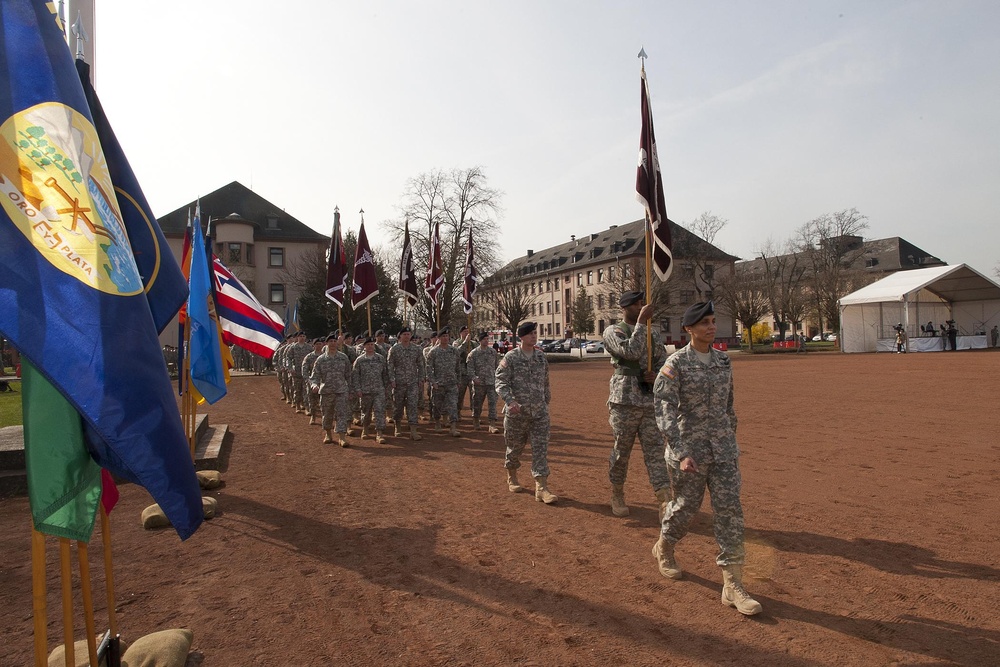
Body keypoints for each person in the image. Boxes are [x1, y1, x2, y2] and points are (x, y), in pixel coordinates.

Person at [651, 301, 762, 616]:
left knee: (730, 512)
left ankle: (733, 584)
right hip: (691, 454)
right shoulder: (676, 364)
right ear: (689, 328)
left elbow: (729, 405)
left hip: (724, 450)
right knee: (686, 509)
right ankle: (665, 546)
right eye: (704, 323)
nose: (711, 327)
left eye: (713, 321)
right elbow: (664, 408)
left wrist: (730, 437)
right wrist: (681, 450)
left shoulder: (724, 361)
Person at [601, 291, 670, 519]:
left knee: (656, 452)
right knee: (622, 451)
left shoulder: (653, 333)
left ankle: (664, 499)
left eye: (643, 304)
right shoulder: (613, 331)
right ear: (626, 307)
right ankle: (617, 492)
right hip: (625, 401)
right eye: (638, 304)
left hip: (650, 400)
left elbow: (662, 358)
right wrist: (641, 323)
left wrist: (657, 374)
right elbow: (629, 352)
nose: (642, 307)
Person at [495, 321, 557, 504]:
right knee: (514, 448)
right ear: (521, 337)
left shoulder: (540, 357)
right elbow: (500, 381)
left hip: (539, 413)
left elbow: (545, 381)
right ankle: (512, 475)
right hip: (517, 413)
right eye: (530, 334)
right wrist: (509, 400)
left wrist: (546, 400)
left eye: (535, 333)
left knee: (540, 449)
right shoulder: (511, 357)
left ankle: (542, 487)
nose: (534, 336)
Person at [309, 334, 353, 447]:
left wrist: (351, 389)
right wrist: (314, 385)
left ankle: (342, 437)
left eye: (334, 341)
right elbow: (314, 376)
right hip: (326, 391)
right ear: (326, 344)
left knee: (341, 414)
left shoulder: (343, 357)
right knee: (327, 414)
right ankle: (328, 434)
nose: (333, 343)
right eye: (330, 341)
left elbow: (349, 375)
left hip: (341, 390)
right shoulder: (321, 359)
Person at [387, 326, 425, 441]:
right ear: (400, 336)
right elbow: (390, 365)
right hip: (398, 383)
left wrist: (421, 378)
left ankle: (413, 430)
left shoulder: (417, 349)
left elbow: (420, 364)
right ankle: (397, 427)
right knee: (398, 406)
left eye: (409, 334)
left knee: (413, 405)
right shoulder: (394, 349)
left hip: (413, 382)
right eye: (405, 334)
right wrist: (392, 379)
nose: (407, 336)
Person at [352, 337, 390, 443]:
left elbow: (385, 375)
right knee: (366, 412)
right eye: (368, 344)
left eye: (372, 344)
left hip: (379, 390)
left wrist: (386, 388)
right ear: (364, 346)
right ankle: (365, 429)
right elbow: (355, 376)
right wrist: (358, 389)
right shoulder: (359, 360)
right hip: (365, 391)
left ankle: (379, 433)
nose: (370, 346)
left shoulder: (380, 359)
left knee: (379, 411)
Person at [426, 327, 462, 436]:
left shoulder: (454, 351)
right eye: (443, 336)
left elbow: (458, 367)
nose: (446, 338)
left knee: (452, 405)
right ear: (439, 338)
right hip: (439, 384)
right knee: (437, 405)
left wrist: (458, 381)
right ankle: (437, 422)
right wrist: (433, 382)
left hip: (451, 383)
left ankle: (453, 427)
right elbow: (428, 368)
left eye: (447, 336)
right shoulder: (433, 352)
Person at [467, 330, 501, 433]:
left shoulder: (493, 352)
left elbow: (497, 367)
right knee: (477, 403)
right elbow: (470, 368)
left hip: (491, 382)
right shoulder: (474, 353)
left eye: (487, 339)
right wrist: (474, 378)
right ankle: (476, 420)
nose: (486, 341)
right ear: (480, 340)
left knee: (492, 403)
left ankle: (492, 424)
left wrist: (497, 379)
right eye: (484, 339)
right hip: (479, 383)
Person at [301, 337, 325, 424]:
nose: (318, 346)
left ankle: (324, 418)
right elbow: (304, 369)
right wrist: (308, 380)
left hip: (323, 382)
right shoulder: (309, 357)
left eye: (320, 344)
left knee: (324, 402)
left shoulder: (325, 356)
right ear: (313, 346)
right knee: (312, 401)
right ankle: (313, 416)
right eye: (317, 344)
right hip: (312, 382)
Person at [454, 325, 475, 420]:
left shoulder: (474, 344)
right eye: (464, 331)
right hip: (461, 373)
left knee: (474, 394)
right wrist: (465, 342)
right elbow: (456, 353)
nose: (467, 333)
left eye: (468, 331)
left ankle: (475, 413)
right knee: (459, 395)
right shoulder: (456, 343)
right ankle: (457, 411)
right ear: (461, 333)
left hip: (471, 373)